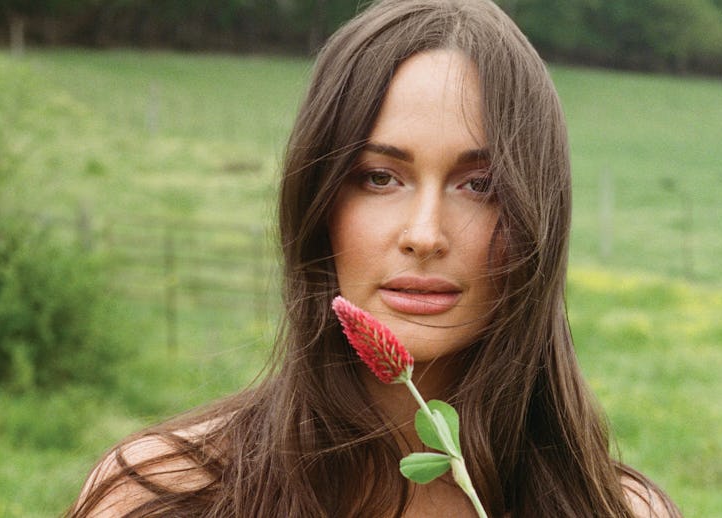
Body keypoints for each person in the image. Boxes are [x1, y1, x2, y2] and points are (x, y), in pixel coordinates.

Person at [69, 0, 681, 516]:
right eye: (380, 177)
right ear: (317, 206)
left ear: (538, 218)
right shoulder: (164, 496)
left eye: (481, 185)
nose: (425, 235)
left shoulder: (619, 511)